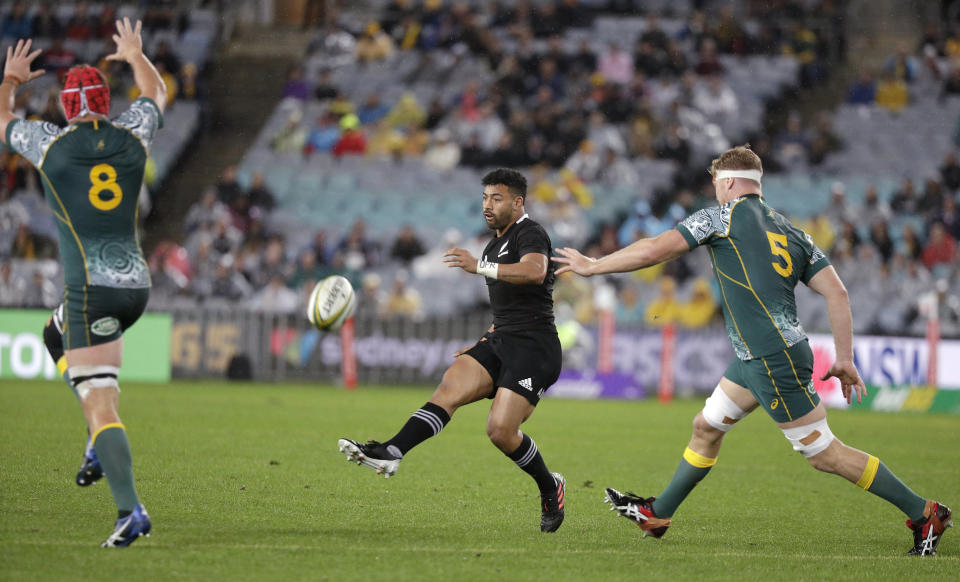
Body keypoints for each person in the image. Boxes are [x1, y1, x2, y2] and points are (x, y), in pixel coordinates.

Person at [553, 146, 952, 556]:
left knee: (823, 453)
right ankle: (658, 514)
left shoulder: (721, 218)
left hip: (769, 356)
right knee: (705, 427)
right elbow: (838, 291)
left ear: (726, 182)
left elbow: (657, 248)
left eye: (715, 185)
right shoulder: (793, 232)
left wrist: (594, 265)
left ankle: (925, 513)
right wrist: (844, 357)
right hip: (758, 356)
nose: (715, 192)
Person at [0, 19, 166, 547]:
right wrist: (136, 54)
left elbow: (1, 119)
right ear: (106, 101)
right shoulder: (133, 130)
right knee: (54, 336)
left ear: (67, 108)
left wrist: (9, 80)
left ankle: (129, 510)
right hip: (135, 286)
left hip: (91, 290)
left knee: (99, 400)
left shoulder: (50, 143)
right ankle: (98, 443)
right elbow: (156, 92)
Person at [338, 168, 567, 532]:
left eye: (497, 198)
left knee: (500, 431)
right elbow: (509, 307)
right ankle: (392, 452)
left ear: (517, 202)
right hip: (501, 340)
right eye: (485, 198)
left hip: (535, 348)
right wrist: (484, 340)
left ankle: (549, 485)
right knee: (450, 386)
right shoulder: (494, 243)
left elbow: (536, 272)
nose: (488, 205)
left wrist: (479, 267)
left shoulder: (530, 231)